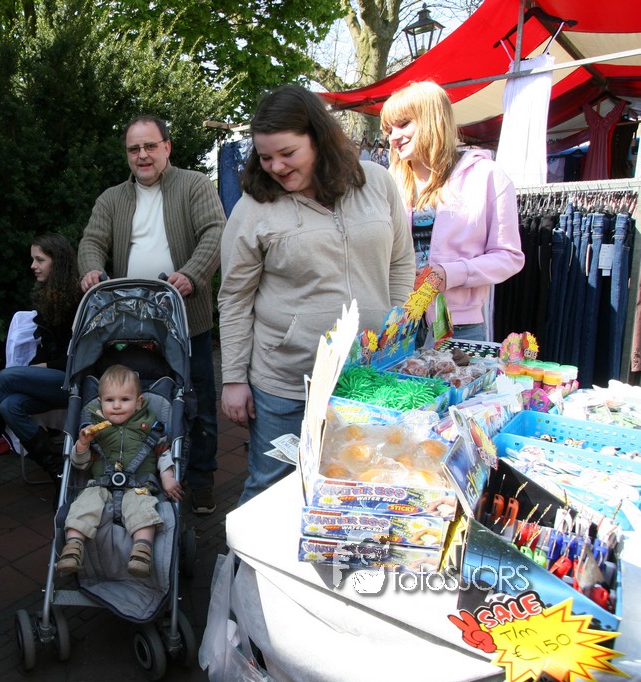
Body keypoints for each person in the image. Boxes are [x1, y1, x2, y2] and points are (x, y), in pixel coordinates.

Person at [219, 85, 415, 506]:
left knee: (358, 483)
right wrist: (233, 378)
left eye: (287, 153)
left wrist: (394, 331)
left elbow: (401, 262)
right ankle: (250, 554)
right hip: (287, 382)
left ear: (318, 138)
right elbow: (234, 296)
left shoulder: (377, 183)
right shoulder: (254, 208)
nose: (275, 167)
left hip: (368, 377)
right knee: (271, 491)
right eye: (265, 157)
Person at [78, 115, 224, 516]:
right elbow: (92, 241)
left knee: (199, 401)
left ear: (167, 147)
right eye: (134, 149)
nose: (142, 155)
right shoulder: (112, 198)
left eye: (150, 146)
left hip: (185, 317)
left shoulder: (194, 185)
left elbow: (215, 232)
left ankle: (202, 479)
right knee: (141, 397)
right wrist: (91, 269)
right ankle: (136, 469)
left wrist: (191, 274)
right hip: (130, 323)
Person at [380, 81, 524, 343]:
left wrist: (449, 274)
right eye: (389, 129)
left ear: (432, 119)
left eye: (403, 124)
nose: (393, 137)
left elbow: (509, 257)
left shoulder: (487, 176)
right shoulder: (391, 181)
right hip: (396, 325)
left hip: (458, 326)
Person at [0, 233, 81, 484]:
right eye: (33, 259)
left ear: (58, 262)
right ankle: (58, 471)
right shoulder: (49, 296)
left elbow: (85, 356)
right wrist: (37, 367)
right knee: (9, 405)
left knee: (6, 378)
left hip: (75, 379)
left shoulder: (78, 300)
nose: (33, 266)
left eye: (40, 260)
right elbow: (46, 344)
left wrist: (46, 366)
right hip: (54, 380)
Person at [55, 365, 182, 578]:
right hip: (100, 484)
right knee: (83, 506)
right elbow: (81, 464)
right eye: (109, 400)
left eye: (124, 399)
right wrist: (83, 445)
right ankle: (73, 547)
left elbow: (163, 451)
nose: (116, 406)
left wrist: (167, 476)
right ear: (100, 402)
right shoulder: (92, 428)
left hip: (138, 485)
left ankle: (142, 550)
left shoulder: (149, 425)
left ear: (138, 402)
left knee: (143, 509)